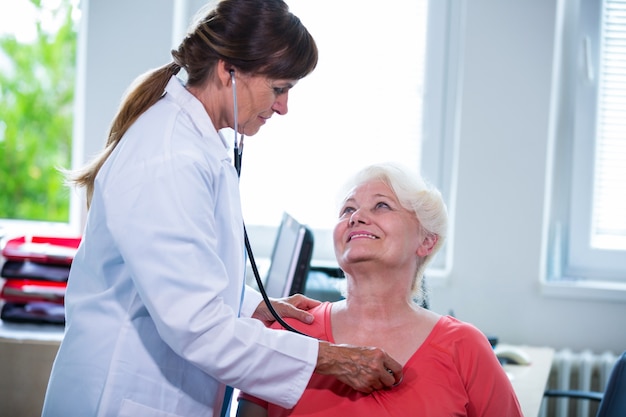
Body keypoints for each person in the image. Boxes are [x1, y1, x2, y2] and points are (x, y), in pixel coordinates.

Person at [41, 1, 403, 416]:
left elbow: (183, 273)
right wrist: (333, 358)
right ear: (228, 70)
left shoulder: (194, 142)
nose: (283, 107)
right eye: (279, 88)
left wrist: (252, 304)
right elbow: (197, 327)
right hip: (122, 396)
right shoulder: (170, 156)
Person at [237, 162, 524, 417]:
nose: (356, 216)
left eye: (382, 205)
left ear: (426, 241)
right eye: (348, 209)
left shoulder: (465, 347)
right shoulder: (288, 332)